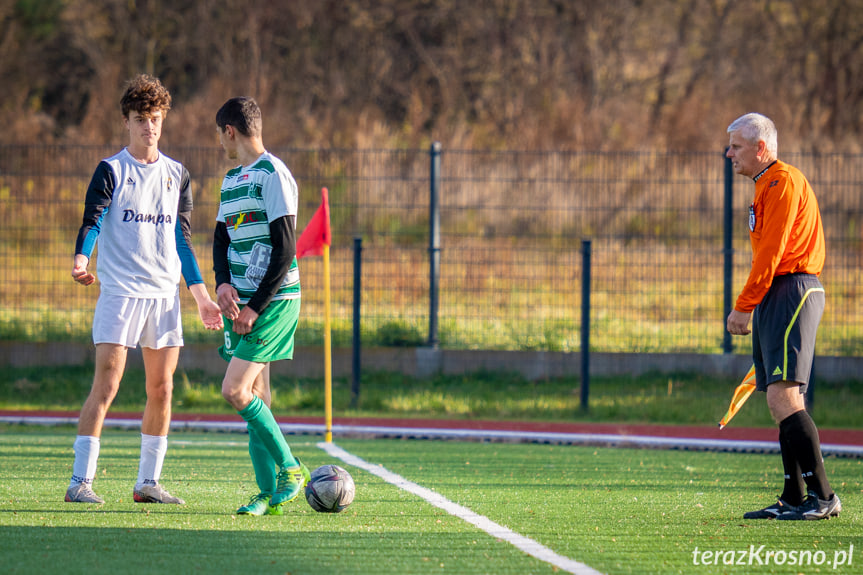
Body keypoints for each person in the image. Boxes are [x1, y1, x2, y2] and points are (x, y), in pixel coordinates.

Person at [67, 74, 223, 504]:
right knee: (107, 385)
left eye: (154, 118)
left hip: (164, 297)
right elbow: (93, 221)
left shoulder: (178, 175)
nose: (148, 127)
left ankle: (148, 483)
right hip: (120, 294)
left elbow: (182, 241)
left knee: (163, 389)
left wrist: (202, 298)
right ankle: (81, 482)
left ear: (163, 120)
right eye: (140, 119)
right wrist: (82, 260)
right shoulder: (111, 170)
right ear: (126, 122)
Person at [725, 113, 840, 521]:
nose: (729, 153)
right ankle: (794, 497)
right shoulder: (764, 185)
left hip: (793, 288)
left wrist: (743, 305)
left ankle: (823, 497)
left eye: (736, 146)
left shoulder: (782, 181)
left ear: (761, 148)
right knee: (780, 396)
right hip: (780, 291)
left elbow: (772, 254)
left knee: (783, 395)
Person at [212, 97, 310, 516]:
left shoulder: (273, 174)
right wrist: (221, 284)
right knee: (257, 395)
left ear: (230, 131)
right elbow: (220, 239)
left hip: (274, 302)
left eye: (220, 135)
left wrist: (254, 305)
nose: (220, 144)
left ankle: (291, 467)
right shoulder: (232, 180)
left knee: (235, 390)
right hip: (244, 305)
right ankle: (268, 495)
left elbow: (285, 249)